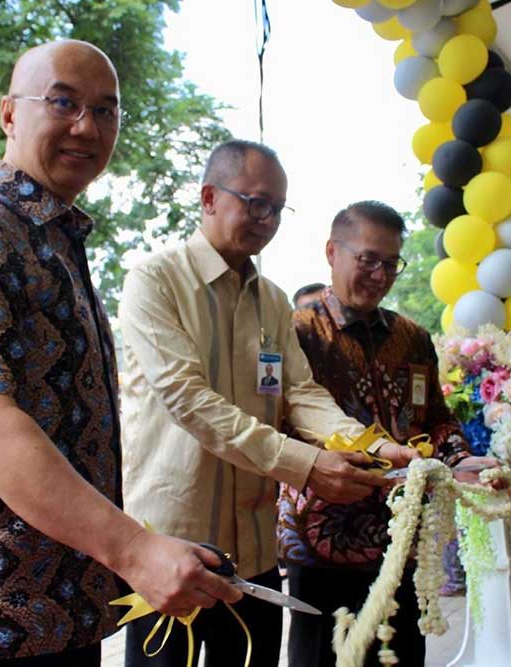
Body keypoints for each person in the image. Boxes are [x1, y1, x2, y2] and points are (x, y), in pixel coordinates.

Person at [0, 40, 239, 667]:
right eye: (63, 102)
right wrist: (134, 550)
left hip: (69, 602)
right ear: (8, 114)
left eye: (106, 111)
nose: (87, 126)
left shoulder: (55, 240)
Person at [119, 141, 417, 667]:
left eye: (278, 208)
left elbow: (298, 394)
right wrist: (304, 466)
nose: (268, 220)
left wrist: (372, 447)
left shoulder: (274, 301)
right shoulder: (155, 280)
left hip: (253, 553)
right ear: (209, 197)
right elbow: (188, 399)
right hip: (173, 550)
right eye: (256, 203)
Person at [277, 201, 492, 666]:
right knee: (324, 655)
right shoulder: (297, 331)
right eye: (368, 260)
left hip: (402, 535)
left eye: (392, 263)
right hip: (321, 540)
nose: (381, 274)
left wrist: (460, 460)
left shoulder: (412, 337)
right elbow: (275, 423)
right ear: (332, 252)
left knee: (402, 656)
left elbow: (436, 417)